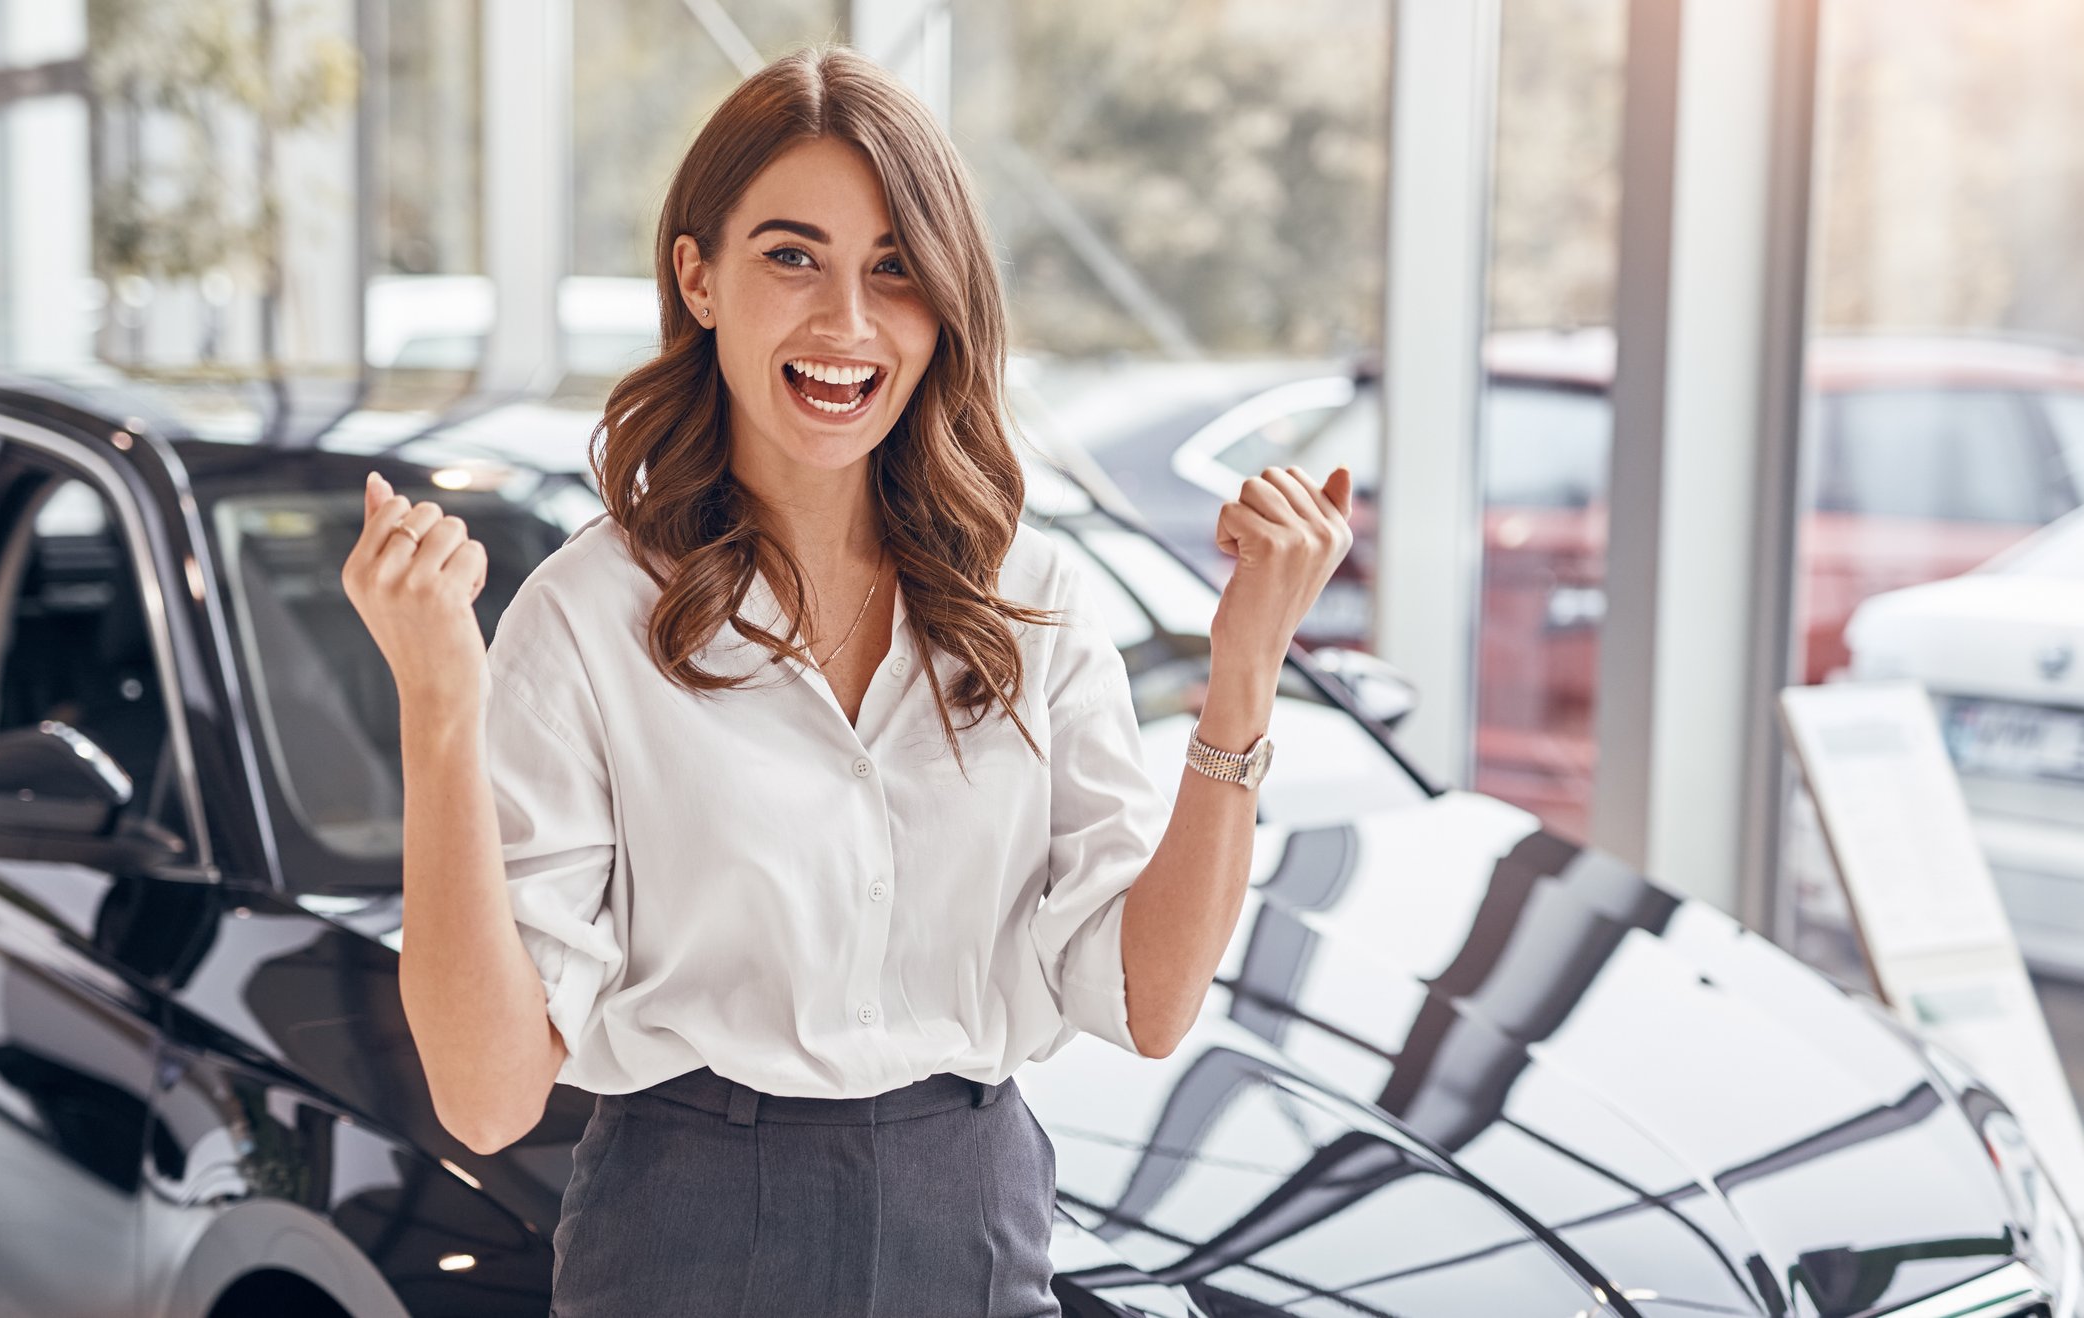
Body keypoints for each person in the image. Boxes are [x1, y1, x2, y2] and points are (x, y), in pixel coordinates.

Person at [342, 42, 1351, 1318]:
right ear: (697, 277)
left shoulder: (1029, 594)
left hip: (972, 1220)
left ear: (943, 301)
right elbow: (489, 1097)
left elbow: (1151, 1002)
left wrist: (1244, 671)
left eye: (893, 270)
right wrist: (439, 707)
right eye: (791, 255)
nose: (847, 325)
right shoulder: (589, 617)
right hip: (685, 1235)